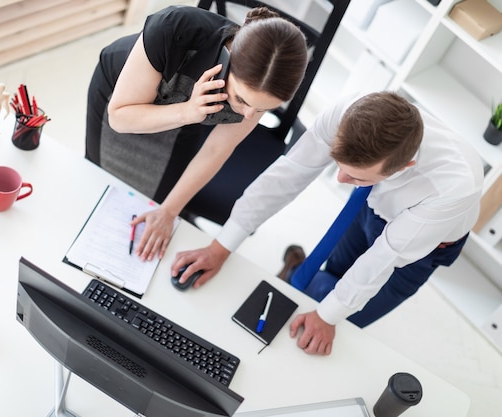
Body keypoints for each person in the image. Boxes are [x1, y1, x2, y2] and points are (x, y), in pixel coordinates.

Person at [171, 91, 484, 356]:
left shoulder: (452, 186)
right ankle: (296, 269)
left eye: (356, 176)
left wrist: (327, 317)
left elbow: (383, 258)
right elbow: (288, 175)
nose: (340, 179)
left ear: (405, 166)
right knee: (330, 276)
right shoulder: (350, 111)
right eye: (339, 165)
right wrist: (220, 246)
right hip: (368, 209)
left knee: (343, 322)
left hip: (422, 248)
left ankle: (298, 273)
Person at [85, 5, 308, 261]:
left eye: (263, 109)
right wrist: (188, 112)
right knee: (104, 190)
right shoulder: (173, 28)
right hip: (124, 103)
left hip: (186, 121)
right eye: (242, 100)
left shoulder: (264, 83)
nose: (249, 116)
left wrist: (168, 212)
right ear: (228, 60)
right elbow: (120, 117)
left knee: (157, 201)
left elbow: (217, 149)